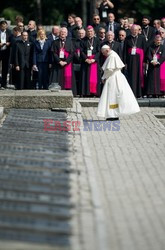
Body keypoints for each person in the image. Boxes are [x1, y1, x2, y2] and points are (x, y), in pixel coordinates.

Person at [97, 45, 140, 120]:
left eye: (104, 53)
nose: (103, 55)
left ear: (107, 50)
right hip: (116, 77)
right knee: (115, 97)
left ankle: (113, 114)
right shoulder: (113, 55)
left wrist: (103, 77)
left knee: (112, 97)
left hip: (113, 78)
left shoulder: (112, 56)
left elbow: (109, 70)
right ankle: (113, 114)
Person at [50, 27, 76, 95]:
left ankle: (68, 92)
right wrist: (59, 61)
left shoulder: (70, 42)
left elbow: (72, 53)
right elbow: (53, 53)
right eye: (62, 32)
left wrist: (66, 61)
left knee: (68, 79)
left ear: (67, 34)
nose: (63, 33)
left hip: (67, 63)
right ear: (59, 33)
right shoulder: (55, 42)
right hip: (58, 63)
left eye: (64, 32)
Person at [124, 24, 147, 97]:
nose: (135, 31)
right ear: (131, 30)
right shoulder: (127, 38)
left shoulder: (142, 38)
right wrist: (125, 62)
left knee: (139, 76)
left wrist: (144, 61)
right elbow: (124, 51)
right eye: (134, 30)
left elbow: (145, 50)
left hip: (139, 61)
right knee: (131, 76)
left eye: (136, 30)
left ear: (138, 30)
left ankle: (139, 93)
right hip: (130, 61)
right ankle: (131, 93)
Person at [80, 25, 101, 97]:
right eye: (88, 31)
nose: (90, 33)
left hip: (94, 61)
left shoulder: (97, 40)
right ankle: (86, 92)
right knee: (86, 77)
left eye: (91, 31)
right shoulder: (83, 40)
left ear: (93, 32)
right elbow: (81, 51)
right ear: (86, 32)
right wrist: (86, 59)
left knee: (94, 78)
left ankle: (94, 92)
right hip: (86, 61)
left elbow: (99, 51)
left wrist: (94, 59)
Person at [0, 20, 12, 89]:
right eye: (2, 26)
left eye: (5, 26)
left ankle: (3, 84)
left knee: (5, 68)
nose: (3, 27)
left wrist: (9, 43)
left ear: (6, 26)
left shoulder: (9, 32)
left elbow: (12, 40)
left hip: (6, 51)